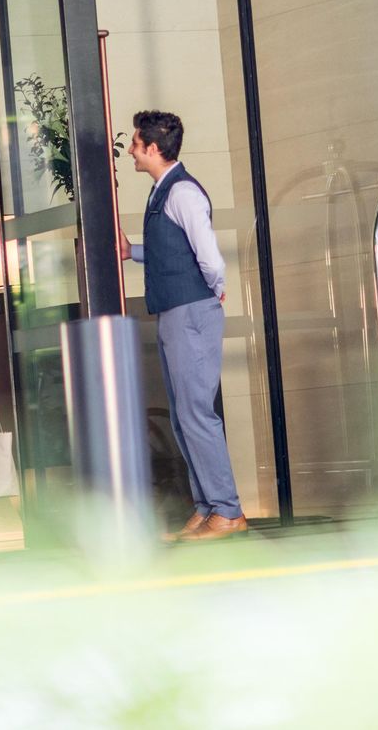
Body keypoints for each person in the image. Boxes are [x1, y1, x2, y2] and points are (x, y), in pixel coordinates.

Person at [119, 110, 247, 542]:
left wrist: (214, 289)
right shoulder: (163, 191)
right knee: (182, 416)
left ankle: (227, 511)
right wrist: (132, 252)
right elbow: (173, 250)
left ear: (154, 149)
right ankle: (208, 506)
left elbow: (209, 257)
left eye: (137, 143)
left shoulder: (183, 192)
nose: (132, 150)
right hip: (177, 311)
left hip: (191, 311)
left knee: (196, 414)